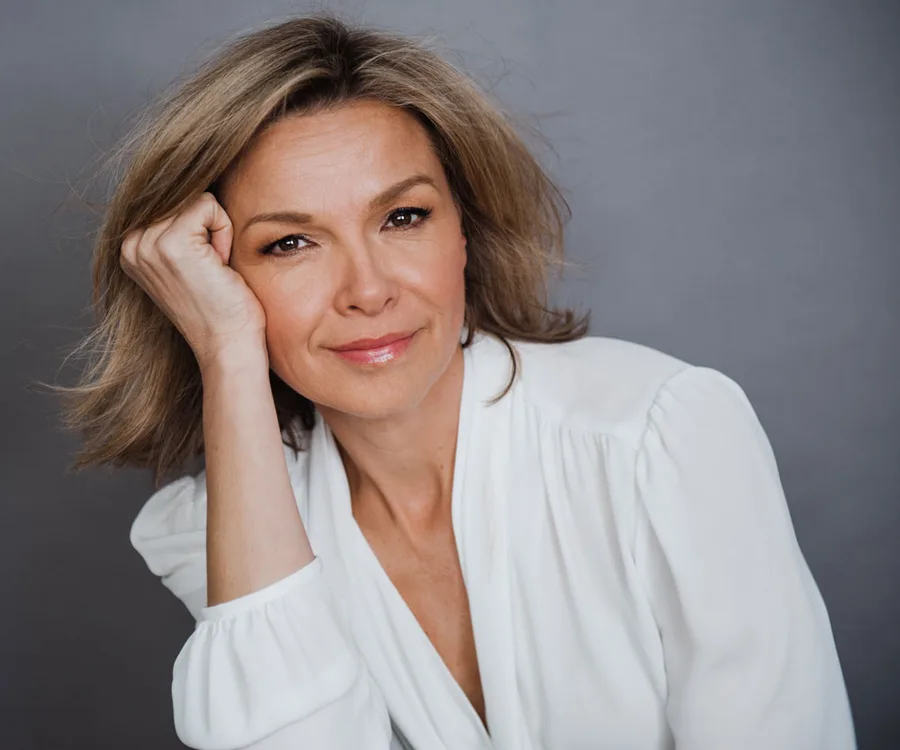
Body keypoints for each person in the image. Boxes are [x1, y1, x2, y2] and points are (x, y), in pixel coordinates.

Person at [60, 14, 856, 750]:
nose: (368, 290)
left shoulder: (658, 436)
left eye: (402, 218)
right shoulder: (218, 526)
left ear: (464, 232)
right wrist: (228, 355)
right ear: (212, 278)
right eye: (291, 243)